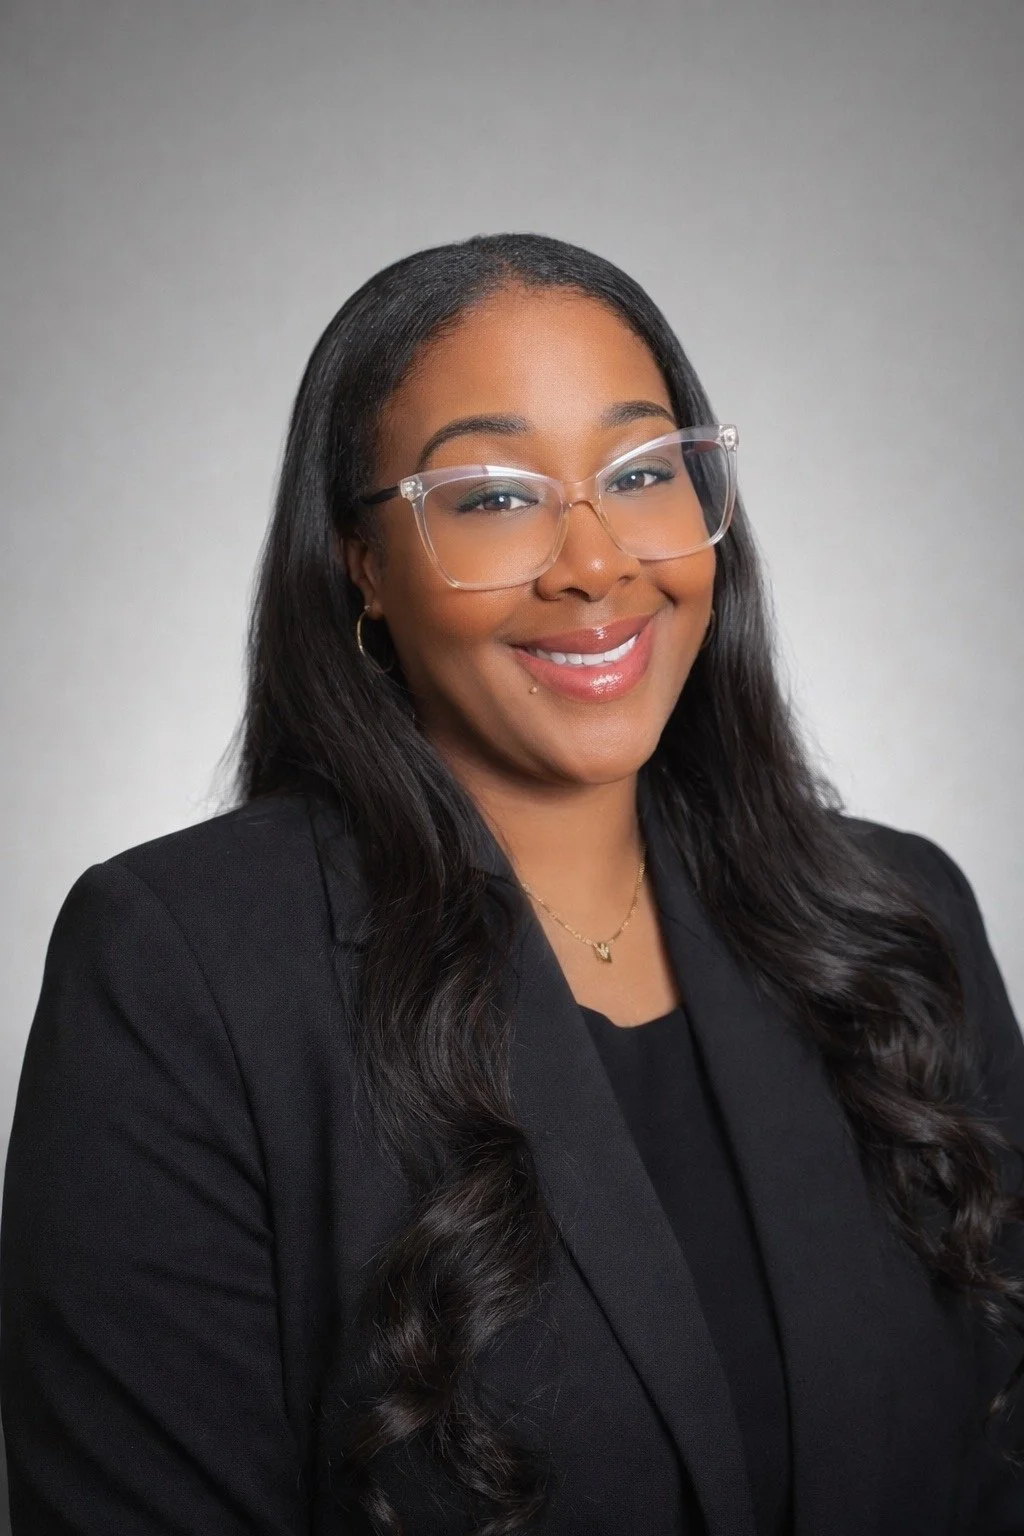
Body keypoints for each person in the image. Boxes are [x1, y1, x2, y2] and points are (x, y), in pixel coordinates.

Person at [1, 233, 1022, 1536]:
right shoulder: (183, 970)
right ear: (360, 566)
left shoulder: (903, 920)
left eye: (644, 472)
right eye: (492, 495)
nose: (595, 565)